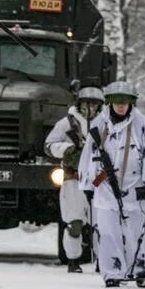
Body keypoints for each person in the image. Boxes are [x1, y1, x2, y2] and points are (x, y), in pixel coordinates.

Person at [78, 81, 145, 288]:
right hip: (105, 187)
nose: (121, 106)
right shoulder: (99, 125)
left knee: (139, 230)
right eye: (117, 102)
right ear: (110, 103)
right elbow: (88, 156)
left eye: (125, 102)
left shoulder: (144, 126)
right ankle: (112, 272)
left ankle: (140, 268)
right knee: (107, 232)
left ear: (131, 103)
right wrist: (87, 184)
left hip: (136, 187)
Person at [45, 86, 104, 273]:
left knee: (101, 224)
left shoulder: (105, 123)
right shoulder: (67, 123)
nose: (90, 108)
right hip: (74, 178)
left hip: (99, 179)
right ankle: (73, 260)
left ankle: (103, 260)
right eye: (87, 103)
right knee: (74, 224)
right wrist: (67, 150)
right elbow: (49, 145)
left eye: (94, 104)